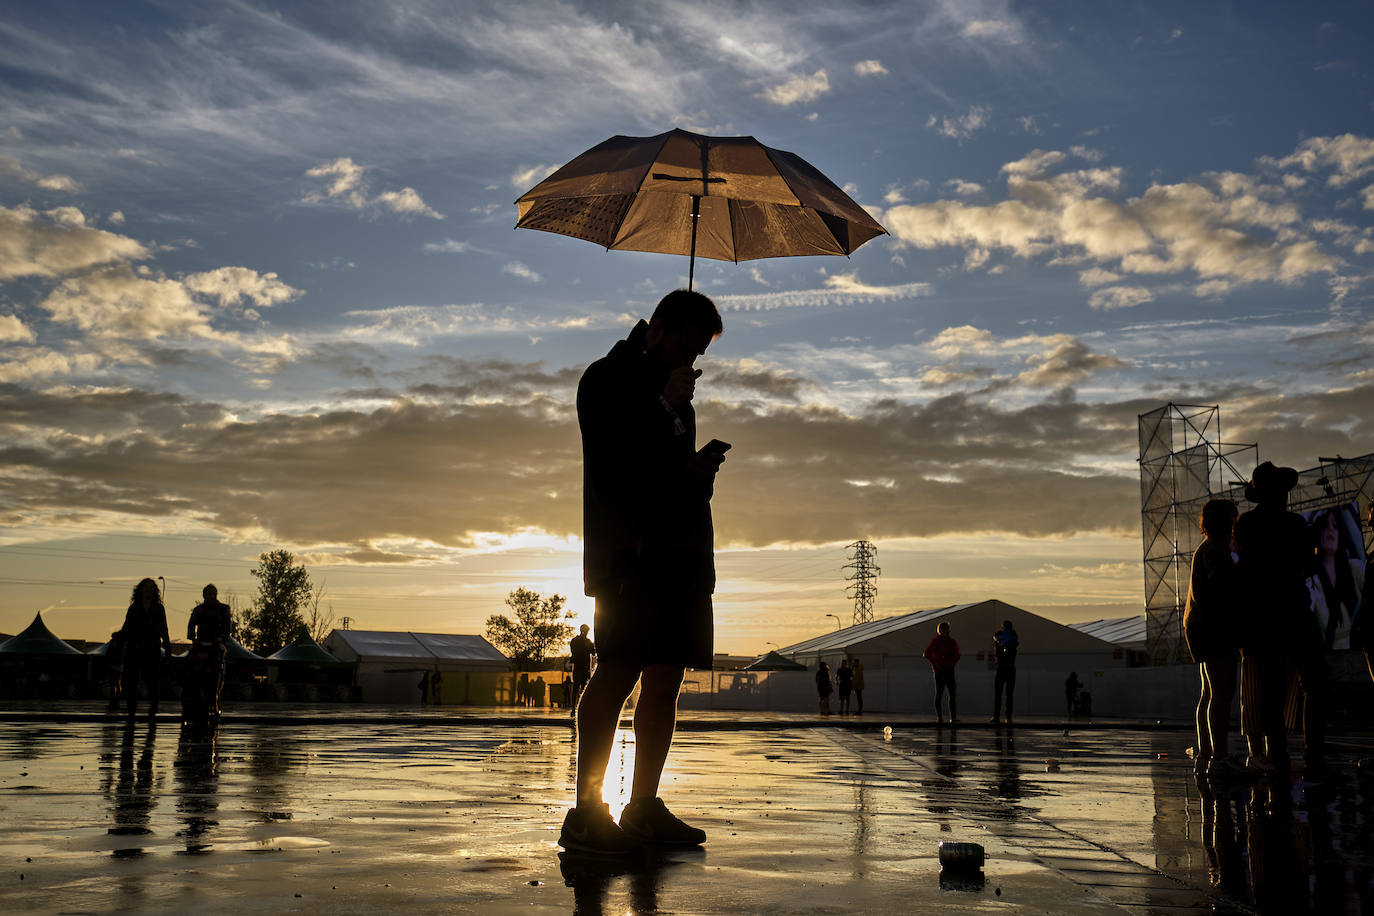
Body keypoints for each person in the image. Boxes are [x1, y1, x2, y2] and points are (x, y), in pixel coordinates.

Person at [561, 289, 726, 855]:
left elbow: (667, 474)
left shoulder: (678, 394)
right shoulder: (605, 378)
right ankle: (587, 813)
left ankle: (643, 806)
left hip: (679, 553)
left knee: (665, 676)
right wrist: (661, 404)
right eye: (686, 347)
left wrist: (698, 471)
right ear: (657, 330)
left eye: (699, 354)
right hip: (629, 555)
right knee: (617, 670)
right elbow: (613, 459)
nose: (691, 362)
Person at [1234, 462, 1325, 777]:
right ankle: (1314, 754)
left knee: (1271, 690)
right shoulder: (1296, 523)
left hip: (1262, 617)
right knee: (1314, 683)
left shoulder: (1245, 524)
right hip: (1295, 610)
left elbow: (1247, 568)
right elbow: (1309, 566)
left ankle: (1278, 755)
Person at [1184, 500, 1244, 778]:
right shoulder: (1216, 551)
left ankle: (1205, 753)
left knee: (1208, 693)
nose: (1235, 523)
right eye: (1233, 518)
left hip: (1199, 627)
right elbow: (1225, 591)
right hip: (1215, 629)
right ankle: (1219, 757)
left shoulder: (1205, 548)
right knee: (1222, 692)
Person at [1305, 506, 1365, 650]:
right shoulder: (1312, 584)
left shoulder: (1355, 568)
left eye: (1335, 526)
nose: (1330, 529)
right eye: (1325, 526)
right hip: (1333, 657)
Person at [119, 578, 171, 722]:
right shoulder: (134, 608)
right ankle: (131, 712)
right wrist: (119, 638)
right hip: (134, 649)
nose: (148, 590)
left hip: (151, 649)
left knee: (152, 682)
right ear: (141, 589)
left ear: (154, 591)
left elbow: (164, 629)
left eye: (151, 587)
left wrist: (168, 648)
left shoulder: (159, 609)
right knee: (131, 682)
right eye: (146, 587)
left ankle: (152, 710)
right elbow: (126, 627)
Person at [186, 583, 233, 720]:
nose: (211, 597)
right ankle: (190, 697)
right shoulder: (198, 610)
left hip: (217, 645)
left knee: (217, 668)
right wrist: (193, 639)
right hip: (201, 644)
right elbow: (191, 626)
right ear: (204, 595)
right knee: (188, 664)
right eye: (209, 594)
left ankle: (215, 697)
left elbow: (227, 628)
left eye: (213, 594)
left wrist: (221, 639)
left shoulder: (224, 609)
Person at [923, 621, 960, 724]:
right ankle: (940, 717)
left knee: (951, 694)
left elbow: (957, 655)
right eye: (945, 629)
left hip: (948, 670)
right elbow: (926, 654)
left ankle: (953, 718)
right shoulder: (936, 641)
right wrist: (936, 664)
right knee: (940, 694)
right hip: (940, 671)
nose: (946, 631)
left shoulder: (951, 642)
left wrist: (950, 664)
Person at [991, 619, 1019, 724]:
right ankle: (1008, 717)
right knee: (1009, 694)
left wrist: (999, 643)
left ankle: (996, 716)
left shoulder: (999, 637)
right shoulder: (1013, 637)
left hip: (1001, 668)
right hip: (1010, 668)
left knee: (998, 694)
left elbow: (997, 644)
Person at [569, 624, 596, 719]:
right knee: (579, 688)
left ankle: (577, 708)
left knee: (579, 688)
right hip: (581, 667)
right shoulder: (580, 641)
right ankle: (575, 708)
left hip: (582, 667)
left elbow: (593, 652)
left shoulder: (577, 641)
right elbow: (593, 652)